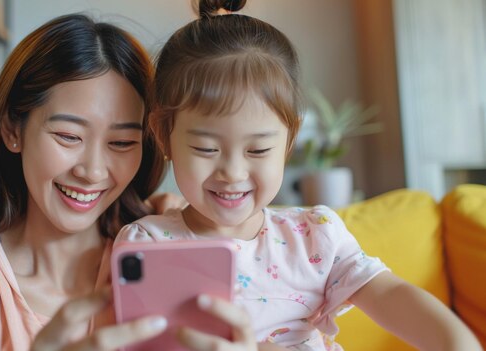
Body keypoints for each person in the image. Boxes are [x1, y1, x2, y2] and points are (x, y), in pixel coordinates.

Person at [114, 1, 483, 350]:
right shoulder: (148, 245)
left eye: (258, 150)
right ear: (164, 136)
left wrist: (458, 343)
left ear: (289, 141)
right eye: (206, 149)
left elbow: (387, 293)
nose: (232, 172)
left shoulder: (314, 235)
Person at [0, 13, 256, 351]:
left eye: (121, 143)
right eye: (68, 136)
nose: (93, 171)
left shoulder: (171, 235)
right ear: (13, 129)